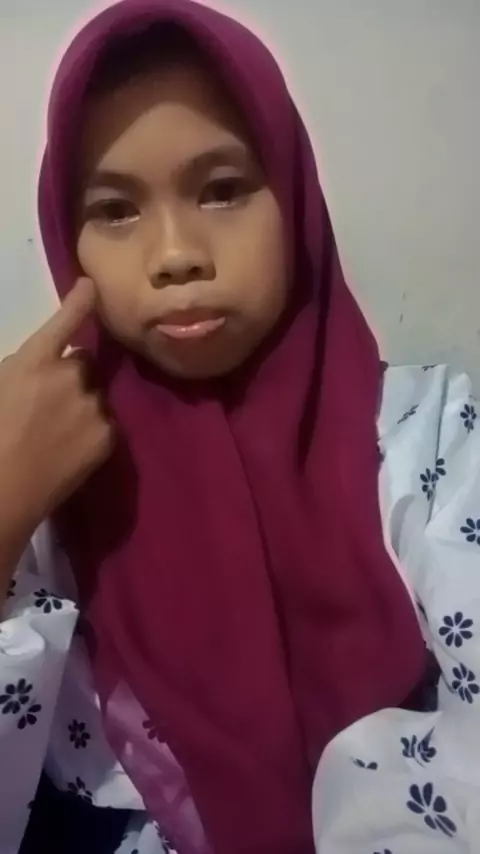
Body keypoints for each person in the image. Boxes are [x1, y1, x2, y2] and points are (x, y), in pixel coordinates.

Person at [0, 0, 479, 852]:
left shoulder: (423, 438)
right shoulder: (46, 468)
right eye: (115, 209)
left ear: (294, 197)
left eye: (222, 190)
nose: (176, 254)